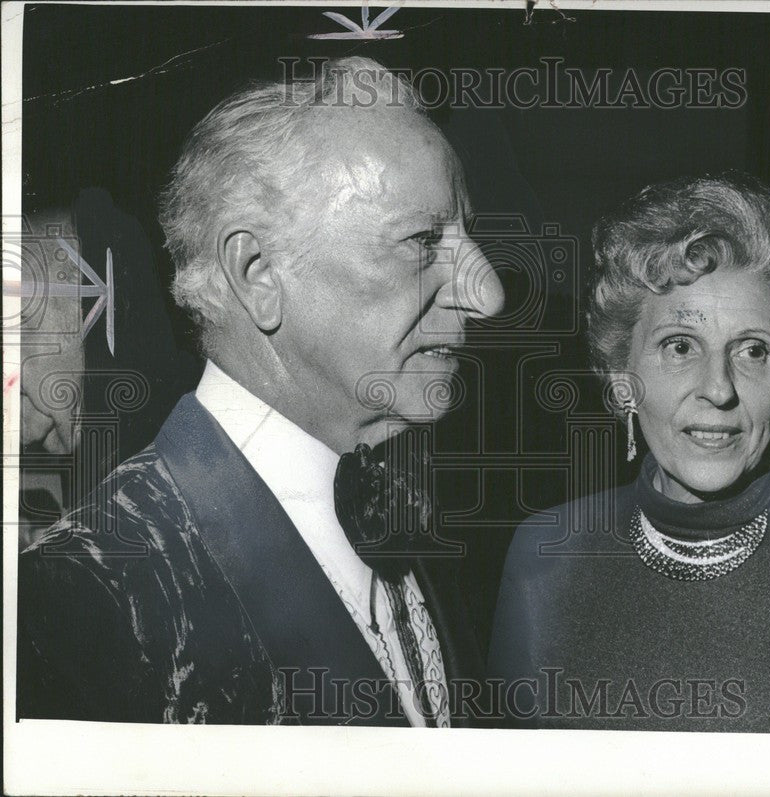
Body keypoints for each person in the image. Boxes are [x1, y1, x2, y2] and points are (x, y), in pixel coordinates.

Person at [17, 57, 504, 726]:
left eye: (465, 236)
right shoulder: (71, 598)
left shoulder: (412, 524)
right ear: (258, 275)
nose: (490, 294)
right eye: (422, 240)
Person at [489, 173, 770, 733]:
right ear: (620, 376)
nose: (720, 389)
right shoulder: (544, 556)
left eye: (753, 351)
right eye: (680, 346)